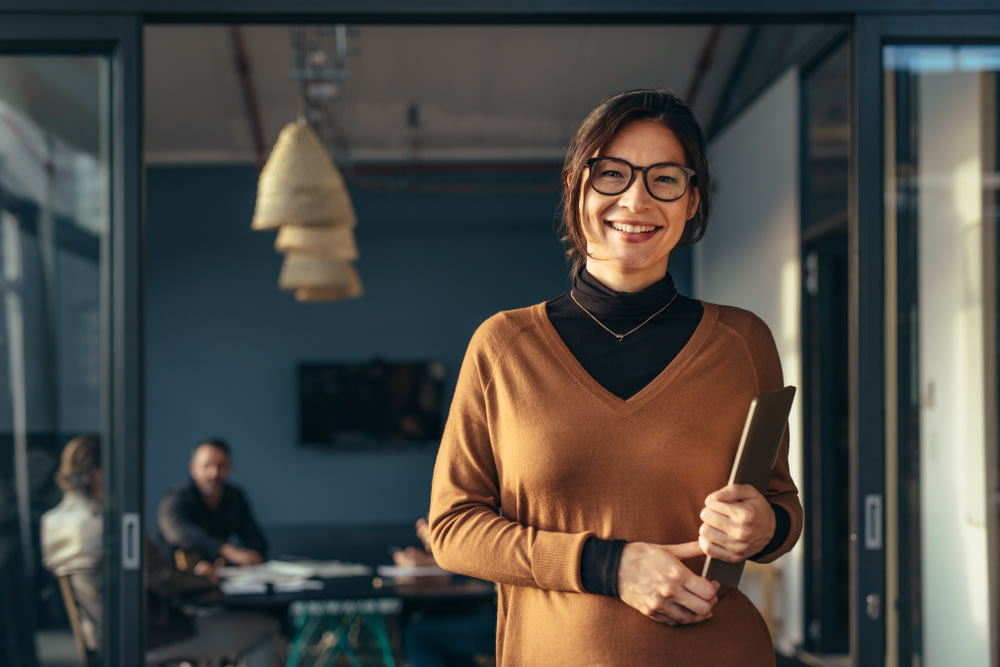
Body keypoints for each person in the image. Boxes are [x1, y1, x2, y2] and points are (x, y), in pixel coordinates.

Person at [427, 89, 803, 666]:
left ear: (692, 199)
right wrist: (611, 565)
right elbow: (453, 530)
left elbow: (781, 507)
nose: (636, 198)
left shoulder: (742, 341)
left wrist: (764, 526)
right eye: (612, 174)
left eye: (665, 179)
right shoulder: (504, 346)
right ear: (578, 188)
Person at [40, 434, 281, 666]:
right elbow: (161, 575)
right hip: (147, 638)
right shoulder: (112, 524)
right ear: (98, 474)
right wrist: (204, 579)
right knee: (266, 627)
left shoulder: (53, 522)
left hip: (101, 640)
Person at [392, 517, 495, 667]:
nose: (422, 526)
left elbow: (486, 581)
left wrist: (435, 561)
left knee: (417, 636)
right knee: (416, 620)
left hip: (499, 620)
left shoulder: (483, 534)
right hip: (478, 612)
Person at [156, 438, 268, 568]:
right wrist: (227, 551)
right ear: (193, 468)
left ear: (229, 468)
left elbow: (256, 540)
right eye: (206, 466)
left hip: (217, 576)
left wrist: (244, 556)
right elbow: (180, 533)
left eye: (220, 466)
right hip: (173, 577)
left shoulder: (234, 497)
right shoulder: (175, 496)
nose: (214, 473)